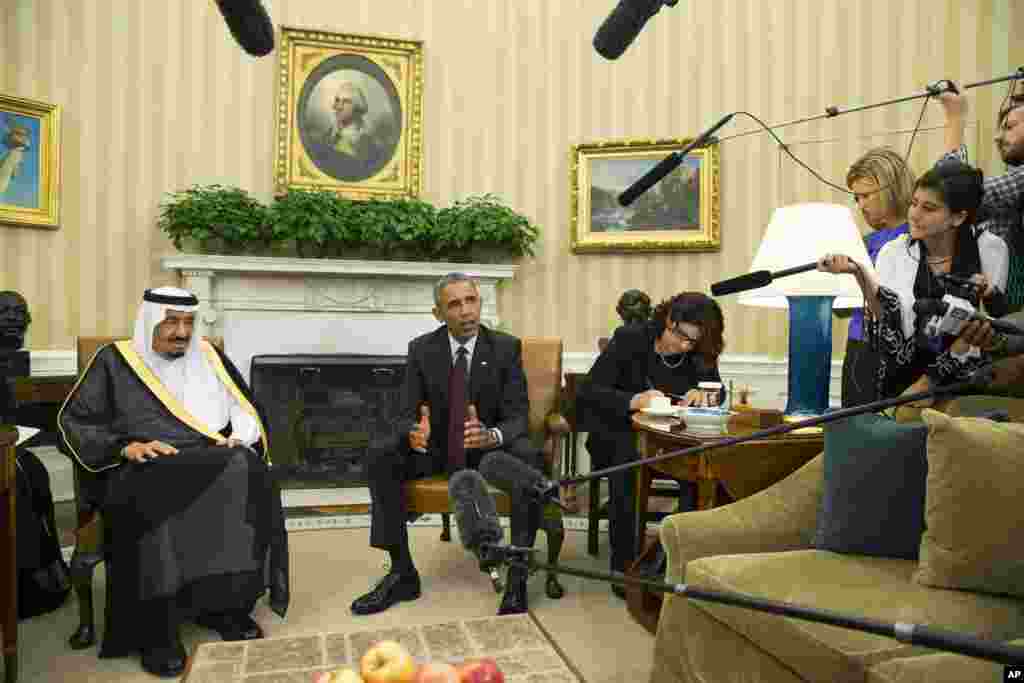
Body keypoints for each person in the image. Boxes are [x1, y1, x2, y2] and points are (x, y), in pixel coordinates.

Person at [58, 287, 289, 679]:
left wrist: (242, 436)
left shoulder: (210, 356)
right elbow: (75, 423)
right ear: (150, 320)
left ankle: (225, 607)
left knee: (247, 469)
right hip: (145, 466)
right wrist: (125, 447)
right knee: (156, 489)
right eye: (171, 321)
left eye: (187, 322)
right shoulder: (114, 361)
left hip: (210, 459)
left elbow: (244, 408)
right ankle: (156, 631)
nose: (181, 332)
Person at [351, 273, 544, 617]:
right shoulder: (422, 349)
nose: (466, 311)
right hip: (437, 451)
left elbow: (518, 416)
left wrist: (492, 435)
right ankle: (401, 573)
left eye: (471, 301)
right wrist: (412, 431)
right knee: (381, 453)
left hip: (487, 455)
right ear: (438, 313)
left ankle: (517, 575)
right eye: (454, 304)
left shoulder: (505, 347)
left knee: (527, 455)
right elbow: (402, 413)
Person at [818, 160, 1009, 400]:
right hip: (898, 379)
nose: (914, 215)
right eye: (914, 203)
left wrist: (926, 385)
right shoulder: (893, 251)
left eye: (929, 208)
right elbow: (885, 317)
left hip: (962, 385)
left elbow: (982, 329)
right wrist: (858, 273)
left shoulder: (990, 248)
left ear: (958, 217)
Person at [579, 292, 725, 596]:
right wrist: (633, 399)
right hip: (617, 432)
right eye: (682, 337)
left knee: (704, 470)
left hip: (669, 439)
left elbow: (716, 388)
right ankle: (625, 567)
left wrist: (706, 396)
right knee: (628, 464)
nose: (685, 347)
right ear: (669, 321)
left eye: (693, 343)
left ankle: (672, 560)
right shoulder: (630, 338)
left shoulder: (698, 350)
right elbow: (590, 391)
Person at [837, 148, 914, 407]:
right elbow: (843, 305)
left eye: (866, 196)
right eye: (856, 198)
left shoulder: (916, 239)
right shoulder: (863, 241)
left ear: (891, 189)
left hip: (896, 348)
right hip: (858, 345)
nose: (861, 205)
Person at [935, 86, 1024, 311]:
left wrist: (956, 120)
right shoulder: (1010, 197)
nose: (997, 137)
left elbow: (951, 193)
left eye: (1009, 127)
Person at [315, 80, 387, 181]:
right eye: (337, 100)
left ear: (357, 107)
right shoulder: (326, 137)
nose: (338, 107)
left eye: (346, 102)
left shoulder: (370, 143)